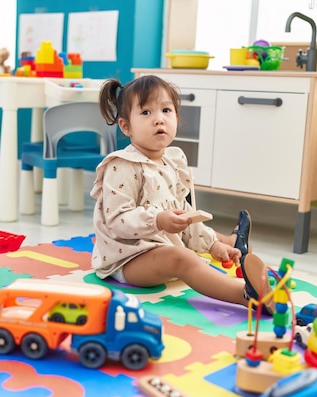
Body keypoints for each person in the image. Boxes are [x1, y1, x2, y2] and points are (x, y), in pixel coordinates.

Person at [91, 75, 272, 315]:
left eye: (166, 110)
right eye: (146, 113)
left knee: (183, 254)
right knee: (181, 257)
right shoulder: (122, 165)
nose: (159, 119)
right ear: (126, 126)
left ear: (176, 117)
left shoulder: (172, 162)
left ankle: (250, 279)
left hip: (161, 248)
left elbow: (185, 215)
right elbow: (117, 220)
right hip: (128, 258)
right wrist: (158, 220)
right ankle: (244, 294)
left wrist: (213, 245)